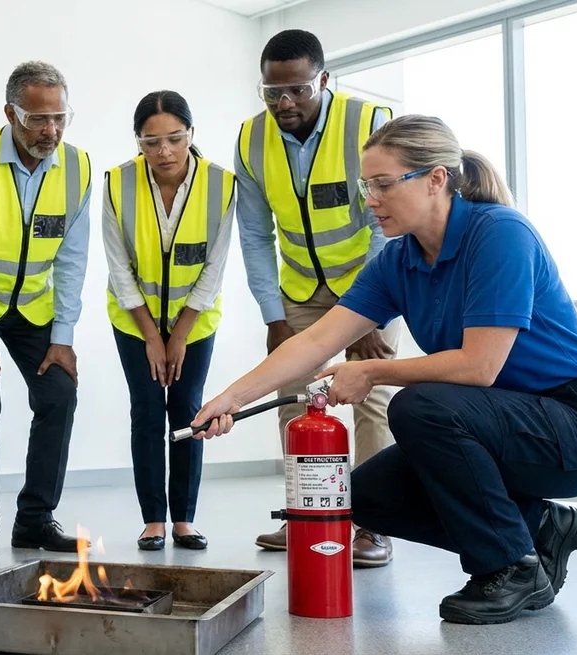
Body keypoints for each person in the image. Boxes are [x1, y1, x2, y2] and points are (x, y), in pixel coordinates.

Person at [192, 114, 577, 625]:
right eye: (365, 185)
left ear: (436, 179)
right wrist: (231, 398)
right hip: (503, 423)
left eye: (382, 184)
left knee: (422, 406)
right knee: (369, 497)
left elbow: (479, 366)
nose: (369, 199)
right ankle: (535, 530)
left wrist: (374, 373)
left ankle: (509, 567)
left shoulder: (499, 234)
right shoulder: (397, 261)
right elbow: (316, 340)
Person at [233, 28, 400, 566]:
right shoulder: (250, 139)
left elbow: (383, 223)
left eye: (298, 90)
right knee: (294, 401)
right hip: (300, 288)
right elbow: (255, 234)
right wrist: (273, 314)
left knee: (372, 400)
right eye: (272, 92)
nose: (284, 103)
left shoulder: (369, 125)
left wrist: (370, 311)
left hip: (369, 282)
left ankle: (374, 525)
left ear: (324, 80)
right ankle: (307, 516)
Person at [0, 61, 91, 562]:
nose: (50, 131)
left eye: (59, 118)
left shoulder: (78, 167)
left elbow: (73, 259)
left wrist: (64, 336)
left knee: (59, 393)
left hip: (35, 307)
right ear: (10, 113)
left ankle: (34, 520)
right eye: (37, 119)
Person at [102, 90, 236, 551]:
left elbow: (214, 268)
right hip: (132, 321)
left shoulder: (222, 184)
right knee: (146, 413)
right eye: (151, 141)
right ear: (137, 140)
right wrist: (151, 337)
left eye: (175, 139)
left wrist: (177, 336)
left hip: (194, 323)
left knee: (187, 413)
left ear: (191, 134)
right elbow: (119, 268)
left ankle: (184, 519)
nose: (164, 152)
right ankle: (153, 521)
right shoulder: (116, 183)